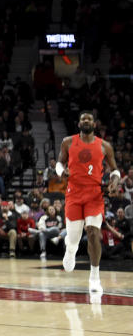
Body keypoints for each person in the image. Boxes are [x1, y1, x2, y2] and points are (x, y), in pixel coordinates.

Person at [57, 111, 121, 293]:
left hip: (94, 195)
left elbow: (115, 170)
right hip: (74, 194)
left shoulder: (105, 146)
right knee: (74, 238)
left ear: (94, 124)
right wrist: (61, 172)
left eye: (89, 119)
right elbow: (59, 163)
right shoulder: (68, 142)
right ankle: (71, 250)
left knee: (93, 232)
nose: (86, 121)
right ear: (79, 124)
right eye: (83, 119)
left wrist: (115, 181)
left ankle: (94, 277)